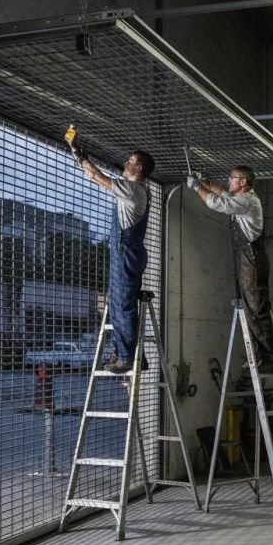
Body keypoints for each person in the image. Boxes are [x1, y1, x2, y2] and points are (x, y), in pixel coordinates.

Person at [68, 131, 154, 373]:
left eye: (130, 160)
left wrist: (78, 152)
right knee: (121, 304)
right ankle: (136, 355)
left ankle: (126, 357)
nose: (125, 163)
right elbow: (100, 178)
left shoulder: (133, 190)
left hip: (126, 252)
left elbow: (97, 176)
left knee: (121, 305)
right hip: (128, 252)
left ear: (139, 168)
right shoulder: (135, 190)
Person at [186, 165, 273, 374]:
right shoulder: (241, 198)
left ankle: (271, 358)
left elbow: (218, 203)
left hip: (252, 260)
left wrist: (196, 189)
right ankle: (260, 358)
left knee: (256, 309)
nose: (229, 181)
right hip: (245, 260)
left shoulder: (248, 200)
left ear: (243, 182)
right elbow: (222, 193)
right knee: (249, 310)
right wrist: (204, 181)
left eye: (232, 178)